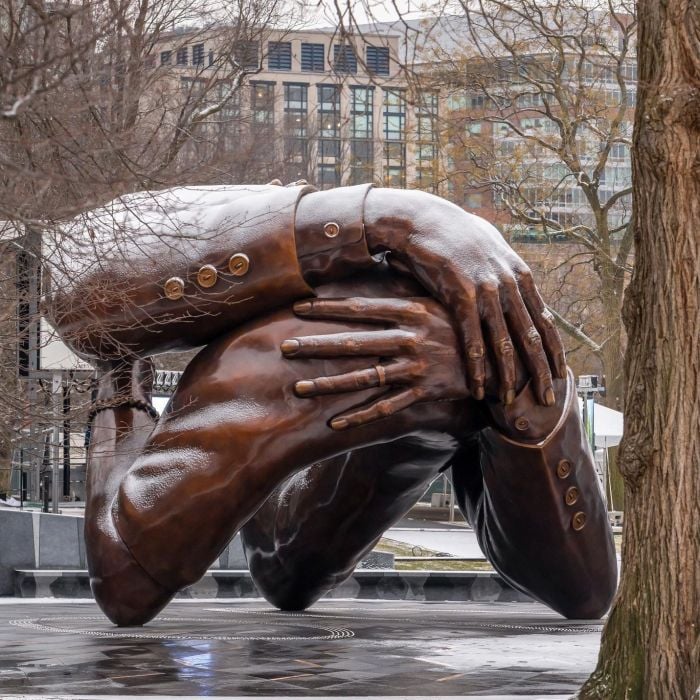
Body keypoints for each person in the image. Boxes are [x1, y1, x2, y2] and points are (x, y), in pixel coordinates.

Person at [47, 184, 616, 627]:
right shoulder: (224, 234)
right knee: (256, 563)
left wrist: (508, 377)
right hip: (296, 402)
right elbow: (76, 286)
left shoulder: (449, 310)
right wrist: (393, 215)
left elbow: (585, 589)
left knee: (271, 565)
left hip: (329, 425)